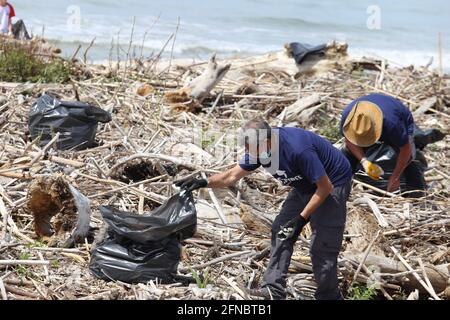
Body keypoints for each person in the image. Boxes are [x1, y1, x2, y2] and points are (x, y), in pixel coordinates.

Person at [176, 120, 353, 300]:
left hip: (333, 182)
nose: (248, 153)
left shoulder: (298, 149)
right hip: (304, 184)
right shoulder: (259, 149)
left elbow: (325, 187)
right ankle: (273, 289)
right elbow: (231, 176)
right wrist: (203, 182)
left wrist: (301, 219)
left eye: (250, 148)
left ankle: (329, 297)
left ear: (267, 142)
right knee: (281, 230)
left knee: (322, 246)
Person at [340, 93, 426, 197]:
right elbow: (349, 141)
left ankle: (417, 194)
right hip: (379, 118)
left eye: (366, 137)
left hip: (396, 116)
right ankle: (342, 190)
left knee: (409, 161)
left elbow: (405, 149)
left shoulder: (392, 125)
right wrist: (364, 161)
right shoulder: (348, 118)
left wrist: (395, 177)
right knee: (347, 156)